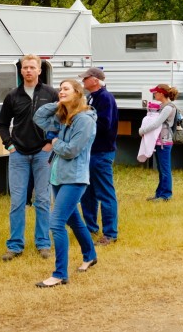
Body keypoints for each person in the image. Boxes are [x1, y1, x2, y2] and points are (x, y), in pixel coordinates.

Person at [33, 79, 98, 287]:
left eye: (66, 89)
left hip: (75, 178)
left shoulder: (85, 120)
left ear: (78, 93)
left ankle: (60, 273)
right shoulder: (63, 117)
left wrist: (54, 142)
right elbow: (38, 117)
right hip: (58, 176)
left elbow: (71, 150)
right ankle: (90, 255)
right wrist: (60, 103)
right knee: (74, 221)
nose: (61, 92)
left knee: (56, 223)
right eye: (60, 89)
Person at [0, 54, 58, 262]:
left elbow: (62, 120)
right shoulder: (12, 96)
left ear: (40, 70)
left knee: (42, 199)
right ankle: (15, 246)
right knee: (17, 201)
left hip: (43, 154)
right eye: (25, 67)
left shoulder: (51, 94)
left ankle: (43, 244)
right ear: (21, 71)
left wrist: (51, 143)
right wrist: (9, 145)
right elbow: (3, 124)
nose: (29, 70)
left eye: (33, 67)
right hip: (18, 155)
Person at [78, 67, 119, 247]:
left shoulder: (104, 98)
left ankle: (110, 233)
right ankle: (90, 227)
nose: (83, 82)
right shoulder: (91, 97)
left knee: (104, 193)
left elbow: (104, 124)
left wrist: (84, 121)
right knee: (87, 192)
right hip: (90, 152)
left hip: (101, 152)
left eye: (85, 79)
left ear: (95, 80)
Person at [139, 84, 179, 201]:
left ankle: (166, 195)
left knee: (165, 170)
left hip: (164, 142)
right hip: (159, 141)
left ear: (161, 93)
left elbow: (157, 123)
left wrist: (143, 131)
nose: (154, 94)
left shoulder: (168, 108)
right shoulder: (162, 106)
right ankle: (159, 194)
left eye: (155, 93)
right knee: (162, 170)